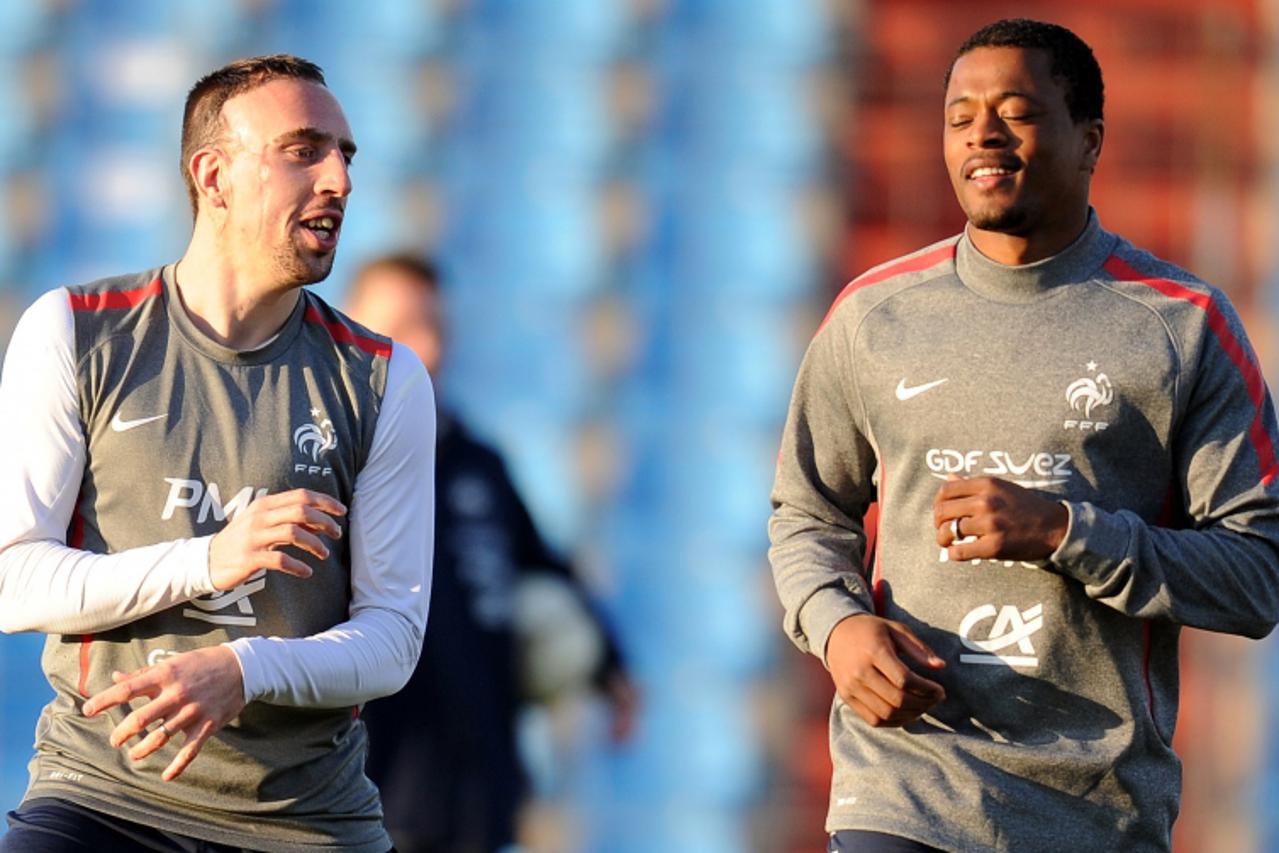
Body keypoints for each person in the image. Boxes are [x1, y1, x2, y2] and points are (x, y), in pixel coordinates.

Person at [769, 18, 1279, 853]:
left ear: (1089, 141)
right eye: (959, 114)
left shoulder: (1181, 326)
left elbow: (1257, 576)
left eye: (1016, 110)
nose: (982, 134)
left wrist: (1067, 532)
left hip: (1092, 809)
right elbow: (804, 514)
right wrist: (836, 625)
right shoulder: (873, 316)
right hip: (902, 791)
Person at [0, 55, 434, 852]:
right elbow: (12, 580)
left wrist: (244, 668)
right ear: (214, 175)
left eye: (345, 154)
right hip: (100, 797)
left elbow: (393, 638)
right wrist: (208, 559)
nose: (338, 178)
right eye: (303, 150)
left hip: (306, 822)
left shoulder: (385, 378)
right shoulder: (75, 331)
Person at [344, 254, 636, 853]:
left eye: (435, 327)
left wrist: (611, 666)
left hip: (480, 789)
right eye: (401, 328)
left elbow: (544, 568)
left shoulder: (479, 463)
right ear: (353, 338)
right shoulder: (329, 466)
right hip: (375, 787)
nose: (425, 346)